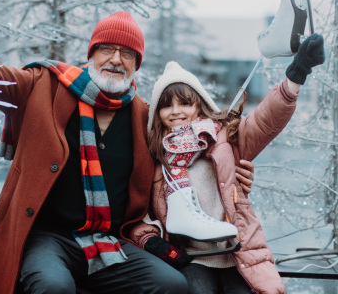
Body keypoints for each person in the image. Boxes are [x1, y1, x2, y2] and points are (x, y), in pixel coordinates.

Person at [129, 34, 325, 294]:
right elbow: (137, 215)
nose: (175, 111)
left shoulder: (224, 138)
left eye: (184, 103)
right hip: (191, 258)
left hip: (237, 254)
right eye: (167, 106)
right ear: (157, 113)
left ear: (199, 105)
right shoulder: (154, 156)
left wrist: (296, 76)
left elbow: (265, 120)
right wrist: (152, 241)